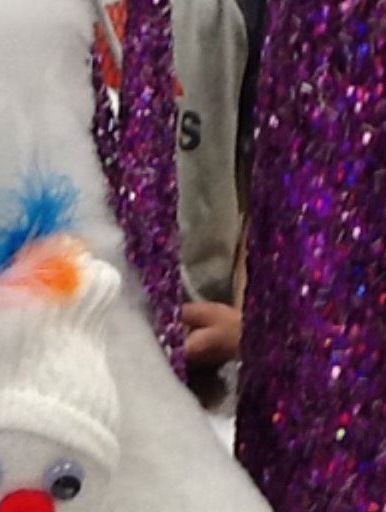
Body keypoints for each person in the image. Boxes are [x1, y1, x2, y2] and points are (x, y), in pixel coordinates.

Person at [95, 0, 267, 404]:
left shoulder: (234, 13)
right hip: (50, 350)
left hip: (197, 363)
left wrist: (248, 324)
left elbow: (268, 178)